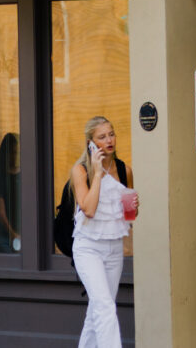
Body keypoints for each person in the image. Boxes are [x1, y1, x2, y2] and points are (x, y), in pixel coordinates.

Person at [66, 116, 135, 348]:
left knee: (97, 310)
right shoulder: (81, 171)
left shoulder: (124, 170)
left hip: (114, 248)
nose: (109, 140)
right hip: (88, 248)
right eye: (102, 137)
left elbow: (129, 217)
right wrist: (97, 173)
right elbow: (89, 209)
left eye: (111, 134)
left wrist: (133, 207)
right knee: (105, 308)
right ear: (91, 143)